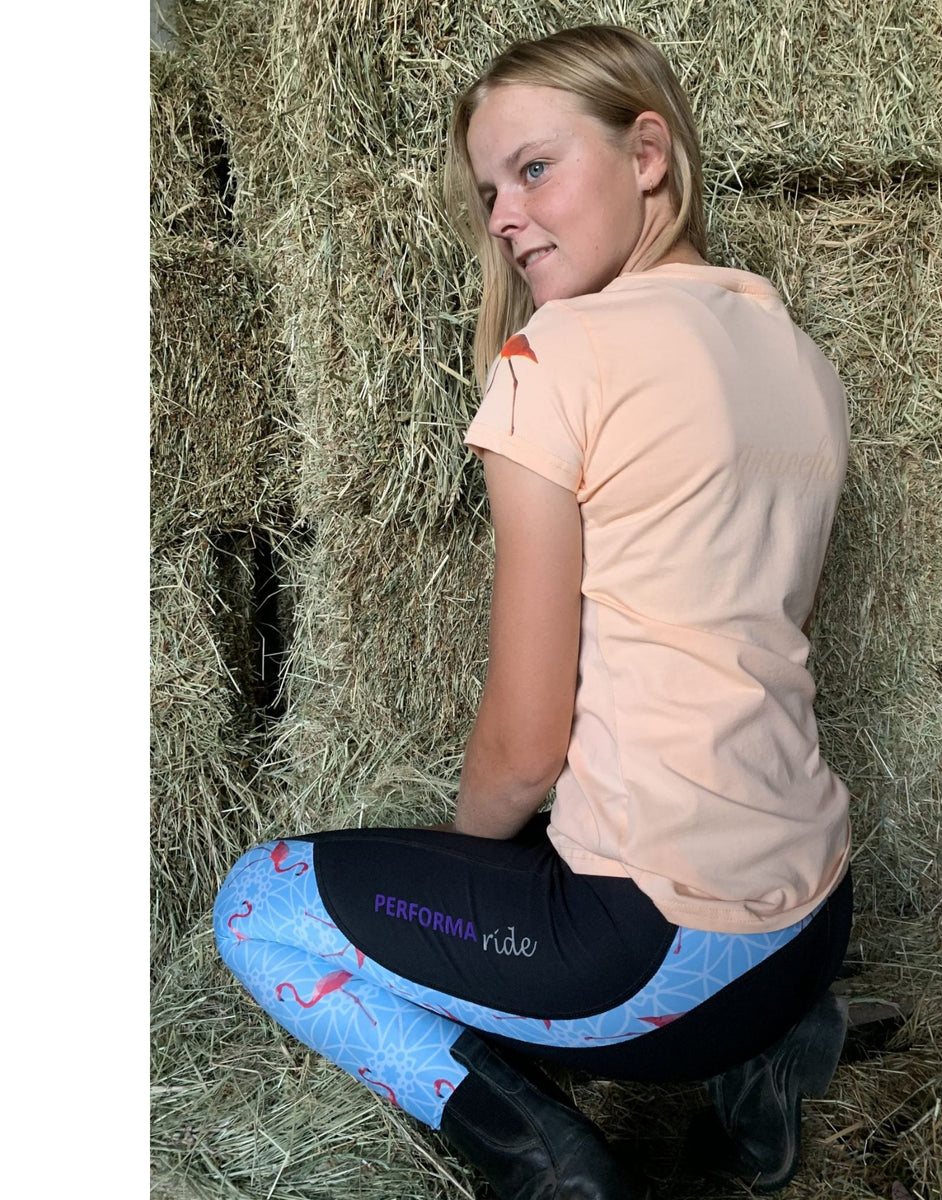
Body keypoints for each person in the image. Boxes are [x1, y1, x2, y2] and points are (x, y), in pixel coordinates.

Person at [213, 23, 854, 1200]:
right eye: (489, 187)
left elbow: (522, 750)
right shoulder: (798, 359)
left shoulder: (560, 358)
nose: (505, 212)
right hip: (812, 920)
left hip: (653, 967)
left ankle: (534, 1155)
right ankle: (768, 1062)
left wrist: (467, 888)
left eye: (536, 167)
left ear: (648, 152)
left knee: (260, 900)